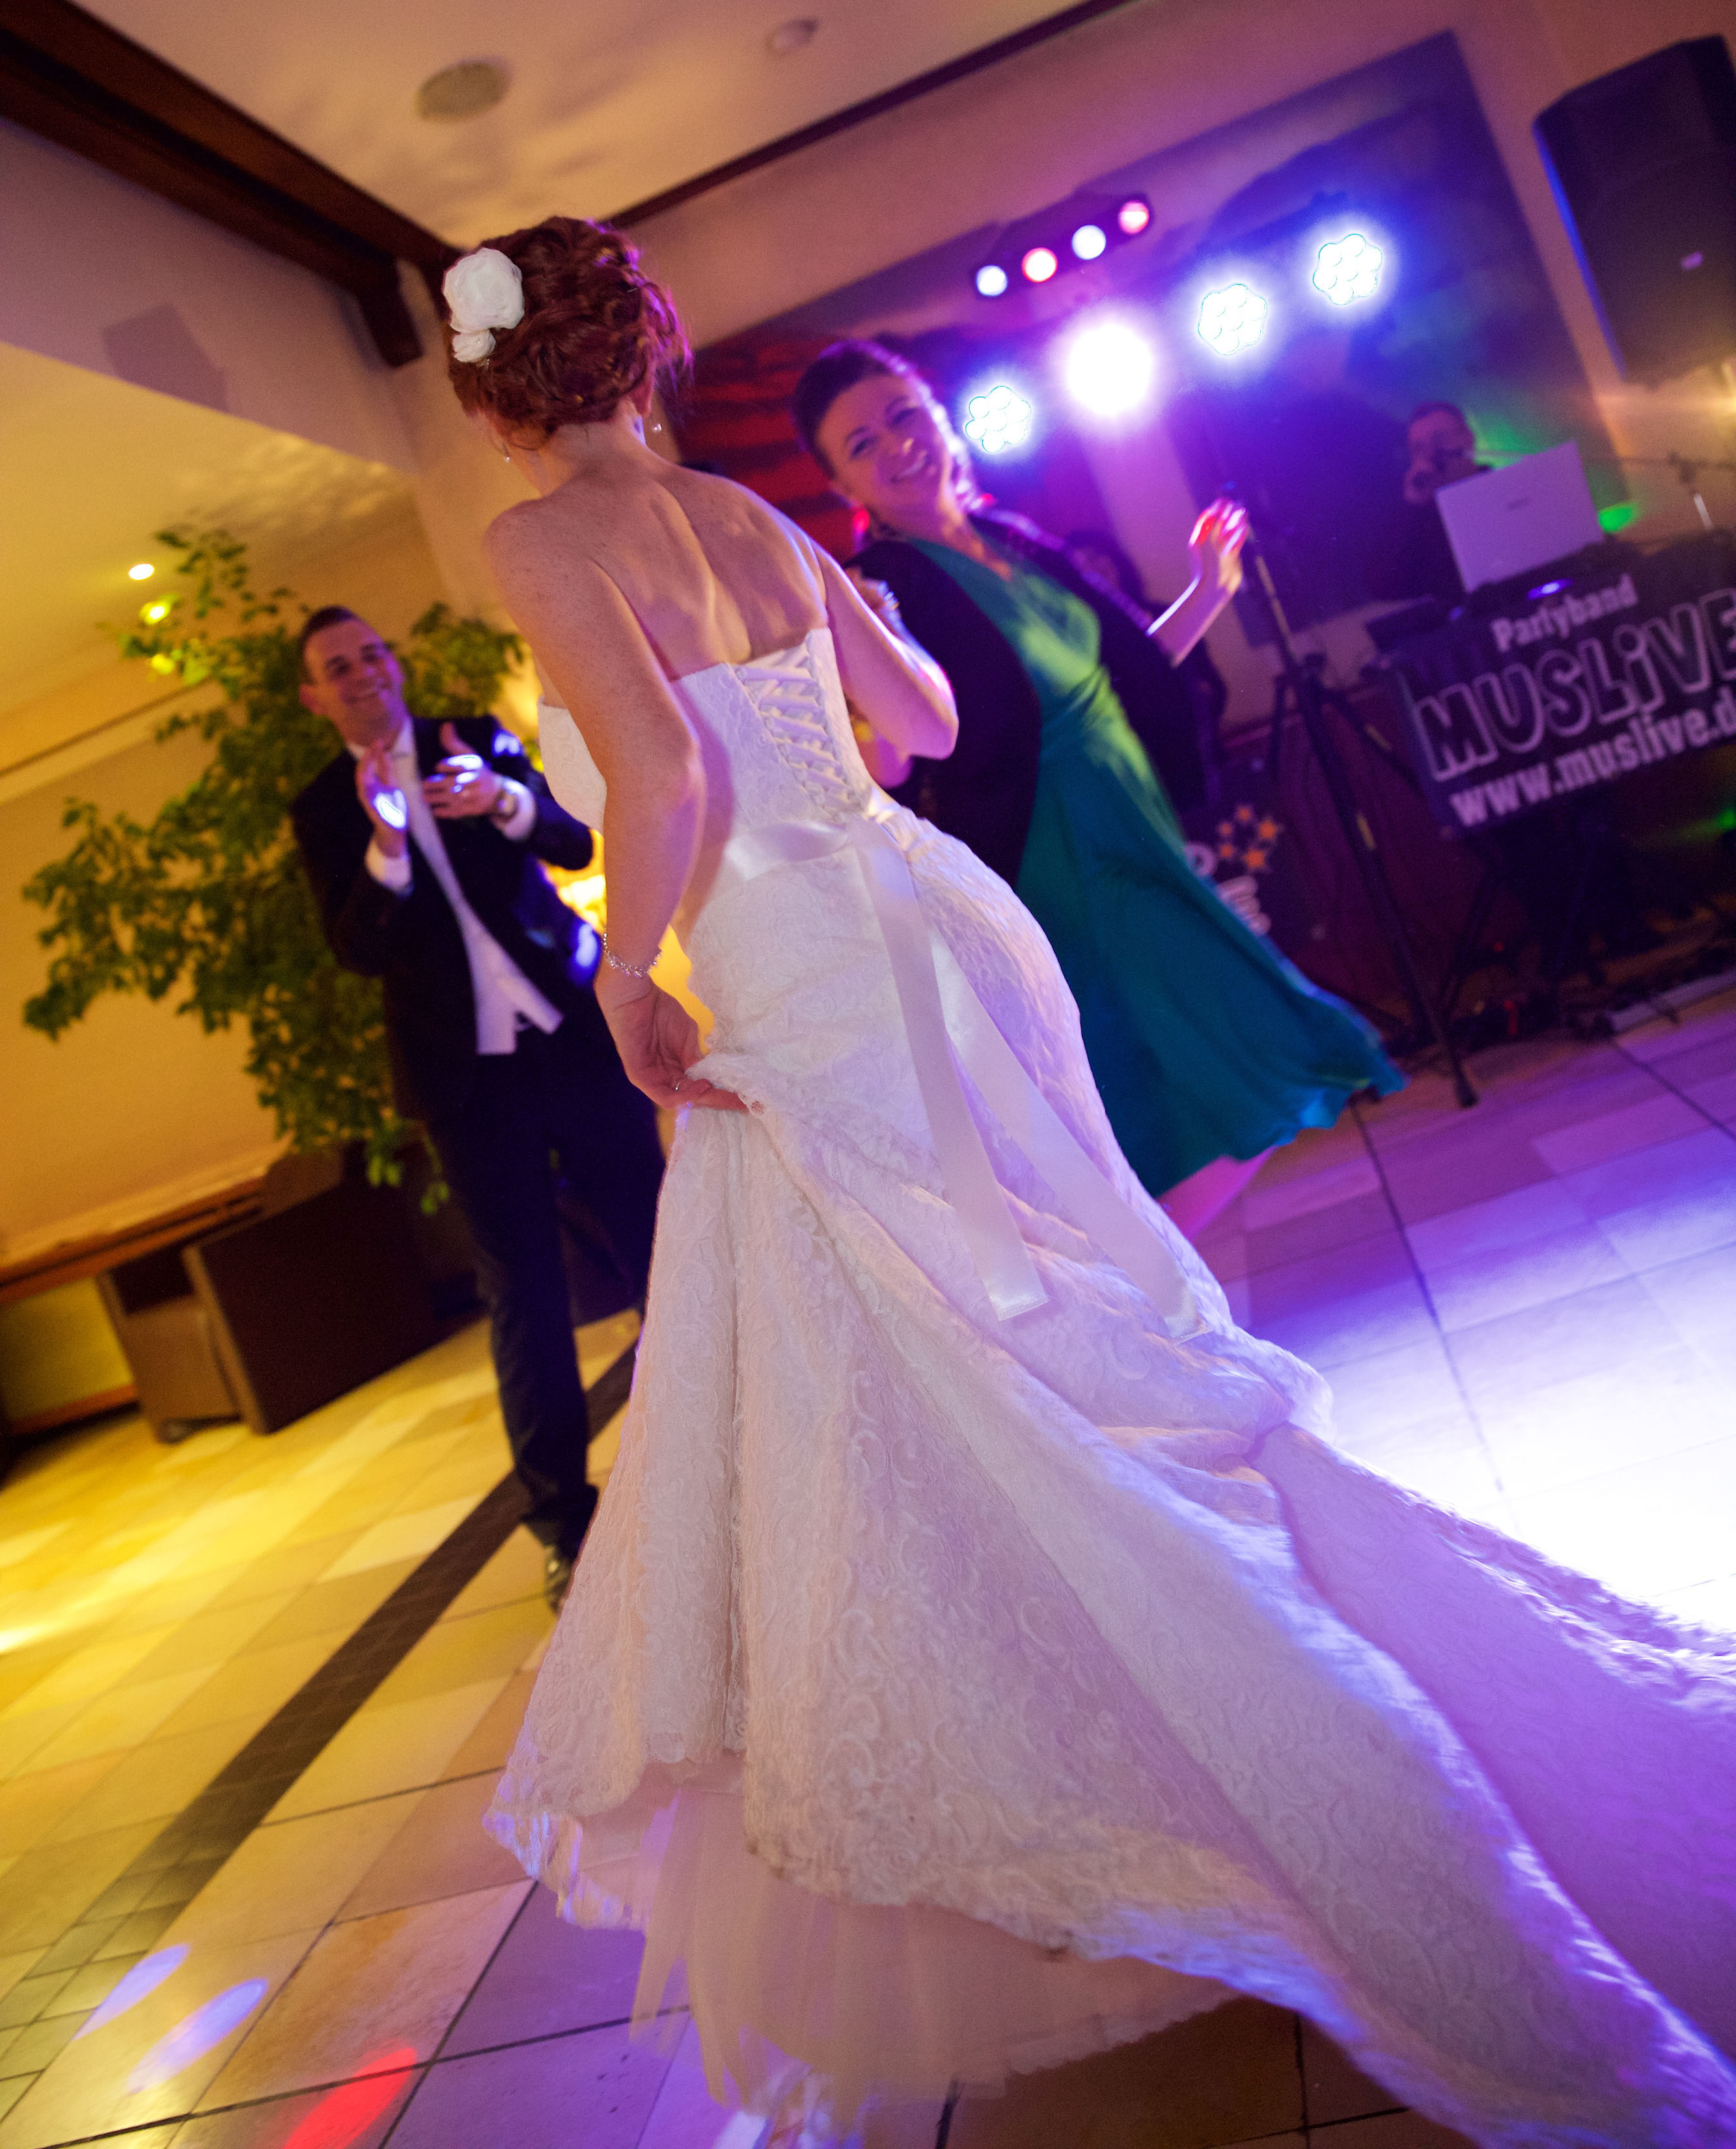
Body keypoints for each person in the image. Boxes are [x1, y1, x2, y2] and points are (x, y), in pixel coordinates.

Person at [448, 216, 1735, 2149]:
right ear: (642, 351)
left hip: (791, 965)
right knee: (1024, 1310)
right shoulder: (749, 513)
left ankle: (1180, 1752)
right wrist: (813, 664)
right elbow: (926, 724)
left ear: (494, 397)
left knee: (911, 1350)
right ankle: (1131, 1730)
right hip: (923, 919)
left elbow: (668, 782)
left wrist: (629, 972)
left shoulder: (541, 543)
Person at [791, 339, 1402, 1240]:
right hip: (1056, 856)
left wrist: (1209, 588)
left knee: (1197, 1075)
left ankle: (1141, 1281)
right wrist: (865, 661)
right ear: (842, 485)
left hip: (1132, 826)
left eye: (902, 415)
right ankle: (1144, 1280)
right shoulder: (883, 588)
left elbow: (1116, 677)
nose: (896, 445)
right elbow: (892, 765)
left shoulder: (1012, 538)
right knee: (1249, 1041)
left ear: (940, 416)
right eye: (861, 445)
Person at [292, 607, 666, 1609]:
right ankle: (564, 1530)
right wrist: (387, 843)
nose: (364, 672)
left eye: (372, 653)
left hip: (571, 1040)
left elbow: (574, 842)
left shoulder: (474, 737)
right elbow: (356, 949)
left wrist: (502, 799)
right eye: (339, 666)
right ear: (315, 697)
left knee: (663, 1246)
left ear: (393, 663)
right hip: (465, 1088)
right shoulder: (322, 809)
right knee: (524, 1299)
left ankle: (731, 1445)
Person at [1371, 400, 1492, 605]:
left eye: (1440, 439)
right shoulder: (1420, 521)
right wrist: (1412, 506)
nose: (1432, 454)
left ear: (1468, 438)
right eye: (1419, 448)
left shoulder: (1509, 490)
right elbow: (1383, 585)